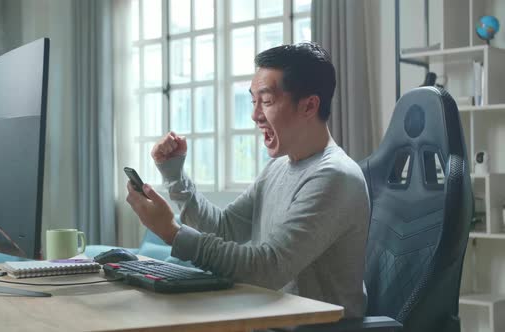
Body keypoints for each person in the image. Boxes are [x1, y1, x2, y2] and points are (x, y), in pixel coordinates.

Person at [126, 42, 370, 318]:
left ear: (309, 105)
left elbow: (267, 269)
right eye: (253, 101)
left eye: (266, 101)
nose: (255, 115)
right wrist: (174, 175)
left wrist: (172, 232)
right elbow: (224, 228)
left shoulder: (335, 176)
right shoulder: (277, 167)